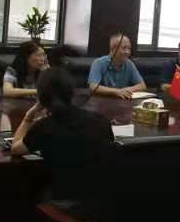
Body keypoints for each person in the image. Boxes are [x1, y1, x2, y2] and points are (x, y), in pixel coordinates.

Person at [11, 68, 114, 203]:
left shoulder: (44, 127)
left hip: (65, 202)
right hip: (103, 200)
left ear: (41, 98)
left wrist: (28, 117)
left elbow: (15, 148)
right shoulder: (101, 121)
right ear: (71, 93)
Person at [87, 34, 147, 99]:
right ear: (112, 49)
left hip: (123, 100)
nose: (127, 52)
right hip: (102, 100)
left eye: (129, 48)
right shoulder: (98, 63)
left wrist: (125, 90)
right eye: (124, 48)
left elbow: (142, 86)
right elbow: (93, 87)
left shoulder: (129, 64)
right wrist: (116, 92)